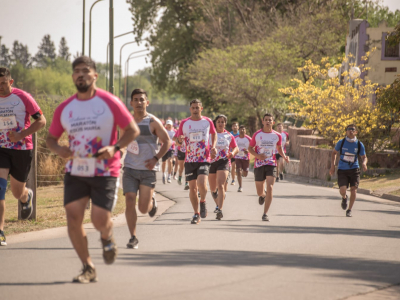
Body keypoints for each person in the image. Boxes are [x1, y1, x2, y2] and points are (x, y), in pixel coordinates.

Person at [46, 56, 139, 283]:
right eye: (77, 71)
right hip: (76, 169)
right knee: (73, 216)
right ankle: (87, 266)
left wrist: (115, 147)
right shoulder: (65, 108)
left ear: (94, 76)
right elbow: (50, 138)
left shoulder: (109, 102)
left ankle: (107, 237)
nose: (81, 74)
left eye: (85, 71)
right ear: (72, 77)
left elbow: (132, 130)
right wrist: (60, 149)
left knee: (99, 220)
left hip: (105, 170)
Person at [0, 67, 46, 246]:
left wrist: (21, 134)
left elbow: (41, 121)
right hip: (1, 148)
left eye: (3, 83)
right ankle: (1, 231)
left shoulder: (23, 97)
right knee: (0, 188)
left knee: (17, 192)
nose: (1, 87)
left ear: (10, 82)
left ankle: (27, 196)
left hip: (21, 148)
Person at [123, 88, 170, 249]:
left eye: (142, 99)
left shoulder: (153, 122)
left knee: (143, 209)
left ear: (147, 102)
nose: (138, 103)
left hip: (148, 170)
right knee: (129, 201)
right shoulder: (126, 122)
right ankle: (133, 237)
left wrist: (156, 158)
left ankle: (152, 201)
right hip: (129, 169)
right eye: (135, 100)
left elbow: (167, 141)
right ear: (131, 103)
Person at [174, 99, 216, 224]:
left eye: (197, 107)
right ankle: (196, 214)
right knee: (192, 188)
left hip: (204, 158)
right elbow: (177, 140)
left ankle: (203, 201)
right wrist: (180, 141)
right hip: (189, 159)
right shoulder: (184, 123)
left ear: (201, 108)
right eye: (193, 108)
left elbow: (214, 134)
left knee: (202, 183)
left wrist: (213, 146)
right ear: (190, 109)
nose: (195, 110)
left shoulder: (207, 121)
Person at [248, 113, 289, 222]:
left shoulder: (277, 135)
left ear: (273, 122)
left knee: (270, 187)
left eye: (270, 120)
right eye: (266, 120)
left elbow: (279, 148)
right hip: (259, 164)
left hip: (271, 163)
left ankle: (265, 213)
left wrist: (284, 157)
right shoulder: (257, 134)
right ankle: (262, 195)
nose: (268, 122)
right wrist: (257, 156)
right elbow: (250, 148)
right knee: (259, 191)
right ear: (263, 121)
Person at [329, 124, 367, 217]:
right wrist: (332, 166)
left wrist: (364, 163)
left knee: (354, 190)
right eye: (349, 129)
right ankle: (344, 197)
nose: (350, 131)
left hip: (354, 169)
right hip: (342, 169)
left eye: (352, 129)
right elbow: (334, 153)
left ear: (356, 132)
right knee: (342, 190)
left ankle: (349, 210)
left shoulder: (359, 144)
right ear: (346, 131)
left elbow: (364, 157)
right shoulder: (341, 142)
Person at [209, 115, 238, 220]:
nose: (220, 124)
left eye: (222, 122)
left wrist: (232, 153)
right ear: (215, 123)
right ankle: (217, 202)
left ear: (225, 123)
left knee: (220, 185)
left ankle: (220, 210)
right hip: (211, 162)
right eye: (218, 122)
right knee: (213, 188)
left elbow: (236, 148)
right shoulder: (210, 135)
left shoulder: (229, 135)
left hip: (224, 161)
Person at [234, 125, 251, 192]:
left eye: (243, 129)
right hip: (237, 157)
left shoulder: (249, 138)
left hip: (246, 158)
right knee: (238, 171)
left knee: (245, 174)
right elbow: (232, 146)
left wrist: (248, 151)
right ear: (239, 130)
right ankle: (240, 186)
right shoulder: (235, 138)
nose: (242, 131)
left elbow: (253, 147)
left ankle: (243, 173)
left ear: (245, 131)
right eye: (240, 129)